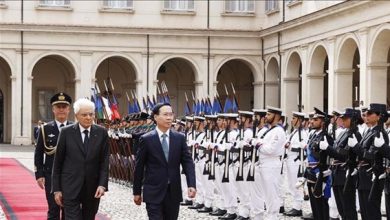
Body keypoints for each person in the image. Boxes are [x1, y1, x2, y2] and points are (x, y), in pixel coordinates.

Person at [133, 103, 196, 220]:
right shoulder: (146, 139)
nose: (169, 118)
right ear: (156, 117)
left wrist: (191, 184)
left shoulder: (179, 138)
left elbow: (187, 162)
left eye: (171, 114)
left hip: (173, 192)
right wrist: (136, 192)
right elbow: (139, 167)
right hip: (153, 191)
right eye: (165, 114)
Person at [52, 98, 109, 220]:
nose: (88, 117)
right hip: (70, 186)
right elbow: (58, 163)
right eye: (84, 115)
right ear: (76, 115)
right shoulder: (66, 132)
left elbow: (104, 162)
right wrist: (57, 189)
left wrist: (102, 185)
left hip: (92, 188)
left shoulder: (102, 133)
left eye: (91, 114)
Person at [34, 92, 73, 220]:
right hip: (50, 175)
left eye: (64, 107)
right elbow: (39, 153)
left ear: (68, 109)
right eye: (58, 107)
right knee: (53, 209)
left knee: (69, 210)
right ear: (53, 109)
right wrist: (39, 174)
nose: (61, 109)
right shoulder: (45, 129)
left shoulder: (75, 128)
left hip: (70, 176)